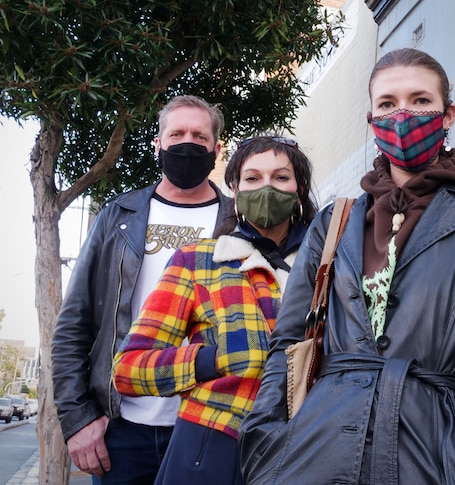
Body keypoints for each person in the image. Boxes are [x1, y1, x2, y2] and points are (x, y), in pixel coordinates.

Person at [239, 47, 455, 485]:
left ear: (448, 114)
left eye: (420, 101)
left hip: (432, 453)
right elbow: (287, 342)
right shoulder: (335, 220)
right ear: (371, 120)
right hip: (313, 452)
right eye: (387, 104)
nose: (403, 115)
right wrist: (266, 444)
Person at [111, 135, 317, 484]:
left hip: (305, 447)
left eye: (281, 177)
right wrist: (214, 360)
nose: (266, 188)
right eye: (253, 178)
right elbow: (128, 370)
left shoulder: (326, 263)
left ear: (299, 191)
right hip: (213, 447)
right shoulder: (198, 260)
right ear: (235, 190)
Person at [51, 94, 233, 484]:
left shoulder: (238, 220)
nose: (188, 143)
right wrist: (77, 418)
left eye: (200, 137)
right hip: (122, 428)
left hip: (209, 426)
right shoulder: (118, 216)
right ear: (158, 145)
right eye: (177, 134)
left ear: (217, 150)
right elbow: (74, 322)